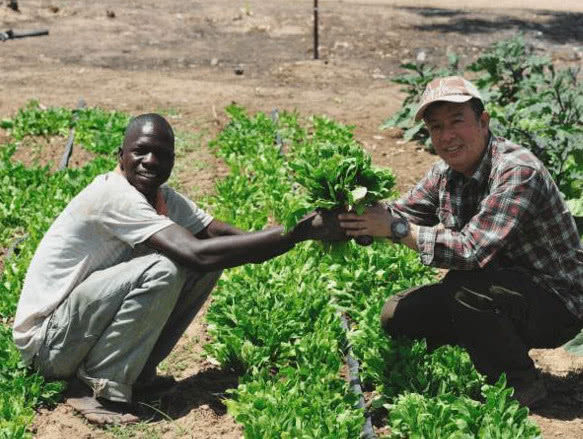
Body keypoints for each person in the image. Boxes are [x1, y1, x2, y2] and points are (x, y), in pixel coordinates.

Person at [12, 113, 345, 425]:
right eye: (141, 151)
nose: (151, 161)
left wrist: (308, 228)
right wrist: (302, 229)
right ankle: (98, 388)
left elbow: (229, 241)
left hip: (76, 332)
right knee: (168, 267)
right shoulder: (113, 195)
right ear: (121, 154)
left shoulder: (161, 197)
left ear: (172, 160)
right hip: (48, 346)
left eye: (162, 154)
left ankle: (136, 372)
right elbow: (196, 252)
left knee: (211, 262)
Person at [339, 76, 583, 408]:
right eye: (436, 127)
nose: (446, 136)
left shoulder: (517, 171)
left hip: (556, 303)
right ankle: (487, 353)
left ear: (483, 122)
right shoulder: (445, 174)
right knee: (398, 315)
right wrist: (349, 215)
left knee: (465, 288)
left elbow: (470, 251)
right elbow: (400, 211)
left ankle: (520, 384)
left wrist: (395, 229)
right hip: (500, 290)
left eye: (457, 122)